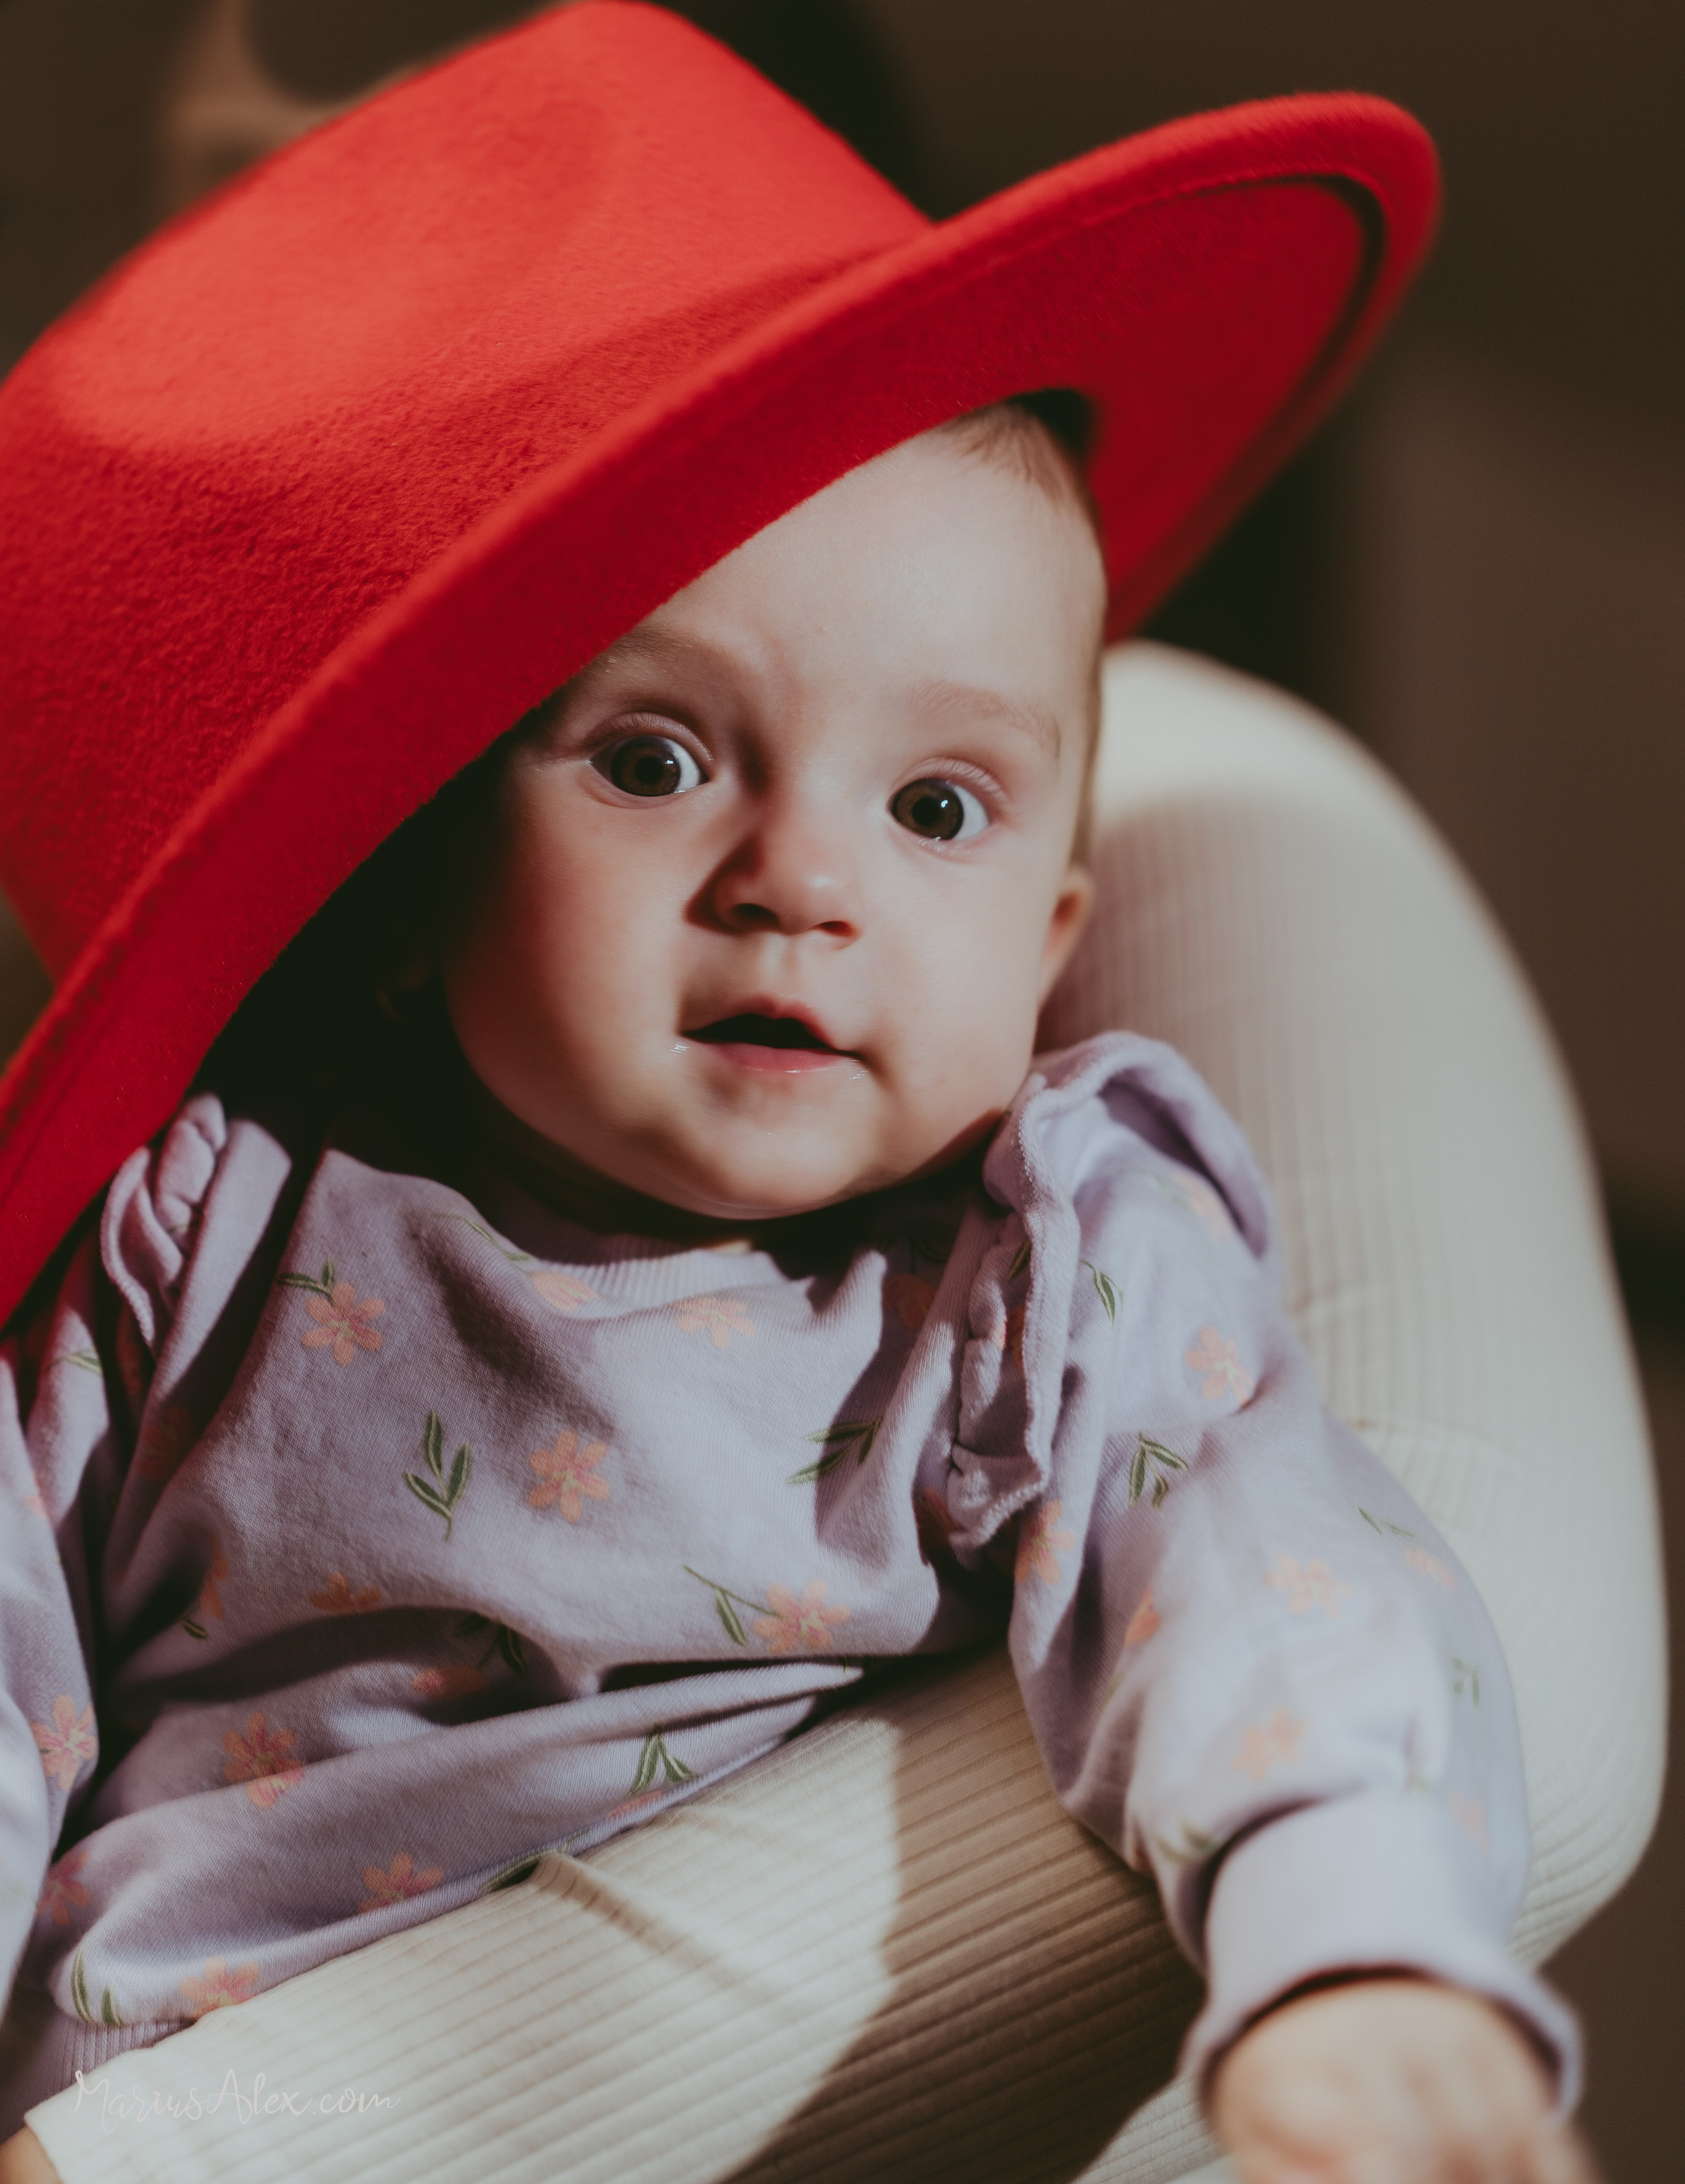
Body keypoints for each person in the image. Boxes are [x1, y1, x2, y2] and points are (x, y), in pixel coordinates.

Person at [0, 7, 1598, 2179]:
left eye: (936, 807)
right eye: (656, 758)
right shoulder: (212, 1223)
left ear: (1054, 939)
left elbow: (1264, 1558)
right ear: (409, 884)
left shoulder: (1032, 1272)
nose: (799, 879)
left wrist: (1352, 1946)